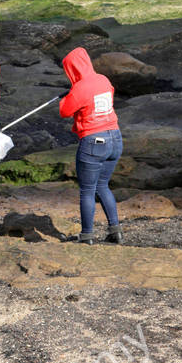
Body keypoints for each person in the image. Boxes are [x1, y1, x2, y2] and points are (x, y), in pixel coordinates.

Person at [60, 47, 123, 244]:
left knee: (87, 190)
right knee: (102, 185)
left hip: (94, 142)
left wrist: (68, 95)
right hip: (115, 139)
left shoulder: (81, 87)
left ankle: (87, 234)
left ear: (73, 69)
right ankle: (115, 231)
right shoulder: (103, 79)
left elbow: (65, 110)